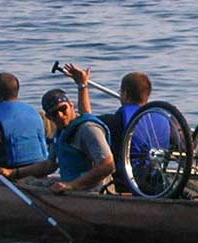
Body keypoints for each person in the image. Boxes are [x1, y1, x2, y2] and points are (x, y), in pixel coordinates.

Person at [60, 64, 167, 193]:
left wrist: (82, 85)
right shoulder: (163, 117)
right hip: (157, 179)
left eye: (121, 92)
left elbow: (87, 120)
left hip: (127, 182)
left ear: (125, 94)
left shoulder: (118, 120)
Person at [0, 86, 114, 195]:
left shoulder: (88, 130)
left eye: (63, 109)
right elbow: (49, 165)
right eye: (55, 113)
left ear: (71, 106)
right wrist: (13, 173)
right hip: (70, 184)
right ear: (49, 117)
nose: (60, 115)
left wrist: (72, 186)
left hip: (94, 190)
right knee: (23, 183)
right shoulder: (61, 131)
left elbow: (107, 165)